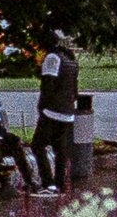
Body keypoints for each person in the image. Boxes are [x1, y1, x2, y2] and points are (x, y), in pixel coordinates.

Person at [32, 33, 81, 195]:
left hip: (53, 110)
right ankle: (60, 184)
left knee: (37, 145)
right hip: (68, 111)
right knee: (60, 148)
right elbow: (74, 87)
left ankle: (48, 182)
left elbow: (48, 85)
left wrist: (42, 107)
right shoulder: (70, 58)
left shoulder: (52, 58)